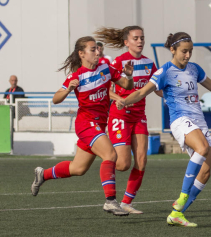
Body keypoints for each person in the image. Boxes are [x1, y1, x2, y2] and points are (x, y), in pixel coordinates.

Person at [115, 32, 211, 227]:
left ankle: (177, 213)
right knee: (201, 148)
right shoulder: (164, 71)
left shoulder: (194, 69)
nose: (188, 55)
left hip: (198, 121)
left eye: (190, 51)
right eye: (184, 51)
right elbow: (142, 92)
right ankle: (182, 197)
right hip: (180, 120)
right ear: (173, 50)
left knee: (206, 172)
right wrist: (124, 101)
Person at [31, 36, 135, 216]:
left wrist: (129, 75)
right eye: (93, 49)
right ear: (82, 54)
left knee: (78, 169)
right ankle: (110, 201)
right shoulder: (76, 76)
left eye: (97, 49)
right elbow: (56, 99)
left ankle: (43, 174)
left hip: (99, 125)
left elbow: (126, 85)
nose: (98, 52)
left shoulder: (106, 68)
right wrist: (68, 89)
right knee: (110, 154)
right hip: (86, 123)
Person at [94, 26, 162, 214]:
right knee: (123, 164)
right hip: (120, 116)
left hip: (139, 116)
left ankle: (126, 202)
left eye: (142, 38)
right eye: (136, 38)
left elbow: (157, 88)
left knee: (141, 160)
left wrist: (175, 93)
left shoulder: (149, 63)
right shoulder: (118, 62)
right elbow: (105, 88)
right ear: (126, 42)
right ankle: (105, 159)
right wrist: (119, 100)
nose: (140, 41)